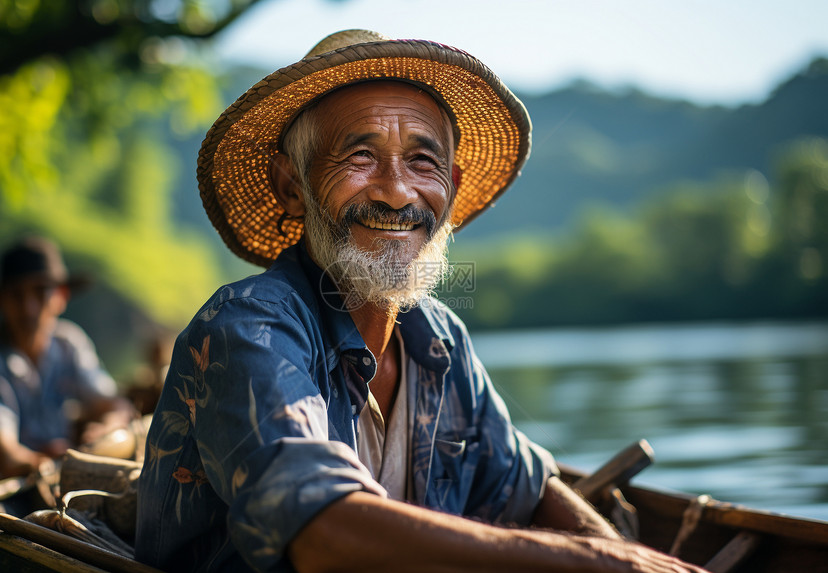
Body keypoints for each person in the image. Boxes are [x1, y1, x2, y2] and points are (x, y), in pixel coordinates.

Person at [136, 30, 707, 573]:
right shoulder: (248, 326)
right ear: (292, 186)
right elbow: (320, 531)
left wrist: (611, 550)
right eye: (359, 156)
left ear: (451, 189)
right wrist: (603, 563)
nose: (397, 190)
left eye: (422, 162)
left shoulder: (438, 339)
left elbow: (526, 489)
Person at [0, 236, 134, 478]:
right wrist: (55, 460)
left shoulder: (69, 343)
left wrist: (107, 430)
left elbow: (114, 405)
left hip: (57, 469)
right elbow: (8, 457)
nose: (28, 308)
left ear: (61, 296)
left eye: (40, 291)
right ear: (1, 302)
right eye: (16, 295)